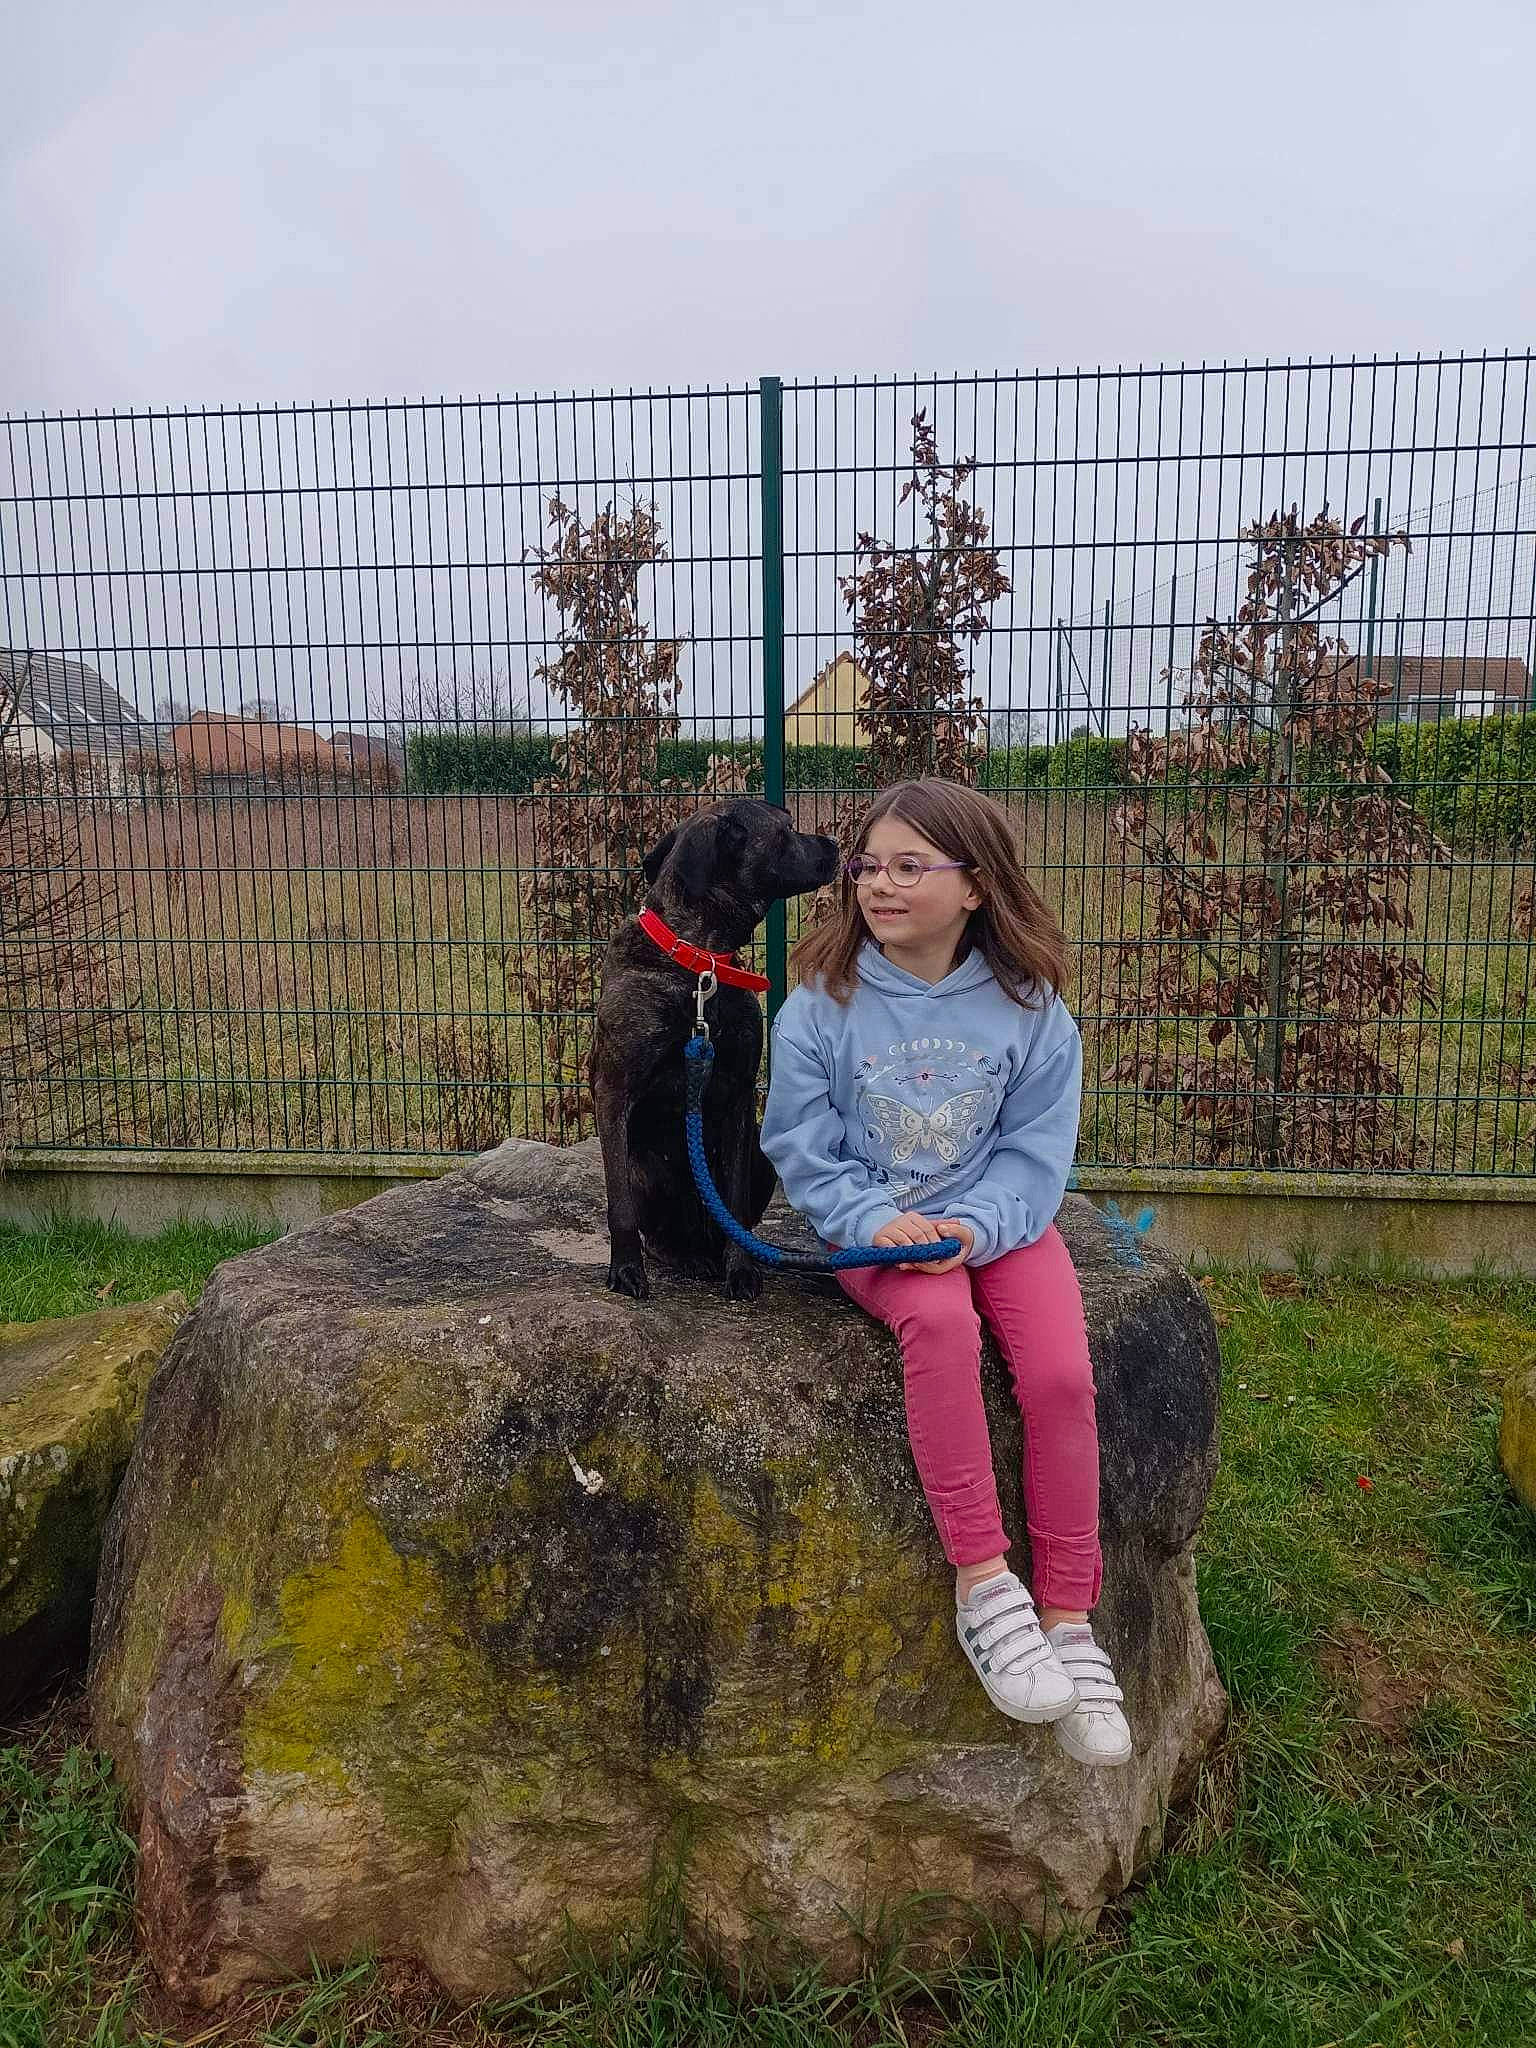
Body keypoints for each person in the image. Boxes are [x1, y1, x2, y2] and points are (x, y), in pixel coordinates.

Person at [760, 777, 1132, 1766]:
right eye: (868, 864)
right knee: (944, 1326)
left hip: (999, 1227)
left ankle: (1068, 1619)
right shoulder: (819, 1006)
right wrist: (876, 1219)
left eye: (910, 865)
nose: (880, 883)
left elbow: (1035, 1151)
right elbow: (800, 1144)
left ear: (977, 886)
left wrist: (978, 1222)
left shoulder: (1032, 1009)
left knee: (1059, 1375)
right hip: (880, 1233)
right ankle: (983, 1583)